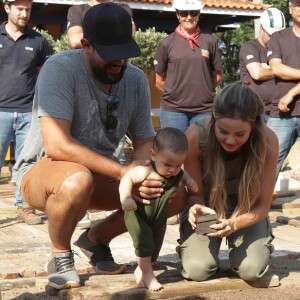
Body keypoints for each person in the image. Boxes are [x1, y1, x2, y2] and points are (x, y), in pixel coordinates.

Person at [13, 3, 186, 290]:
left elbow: (144, 141)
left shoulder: (134, 80)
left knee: (171, 190)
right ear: (86, 45)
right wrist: (123, 173)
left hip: (99, 174)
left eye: (124, 54)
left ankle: (95, 240)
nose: (119, 62)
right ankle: (60, 255)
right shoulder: (60, 69)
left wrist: (145, 175)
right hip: (44, 172)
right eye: (110, 55)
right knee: (77, 181)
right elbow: (57, 145)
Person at [176, 81, 279, 283]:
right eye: (223, 131)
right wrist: (195, 206)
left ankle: (251, 246)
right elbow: (195, 193)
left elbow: (263, 206)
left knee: (251, 271)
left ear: (253, 127)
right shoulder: (195, 137)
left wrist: (234, 224)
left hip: (246, 210)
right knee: (198, 270)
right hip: (208, 209)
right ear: (214, 120)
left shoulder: (268, 141)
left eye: (240, 134)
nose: (230, 140)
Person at [119, 127, 198, 291]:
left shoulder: (176, 171)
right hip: (138, 214)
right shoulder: (146, 170)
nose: (173, 170)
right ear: (153, 154)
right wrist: (126, 197)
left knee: (155, 246)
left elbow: (182, 175)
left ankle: (141, 269)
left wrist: (189, 180)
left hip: (159, 217)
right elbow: (127, 178)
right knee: (144, 243)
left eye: (178, 165)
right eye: (168, 164)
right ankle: (148, 275)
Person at [0, 0, 51, 225]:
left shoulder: (38, 40)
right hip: (0, 112)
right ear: (7, 8)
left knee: (26, 164)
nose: (24, 13)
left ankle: (24, 207)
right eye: (19, 8)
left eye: (28, 9)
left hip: (28, 112)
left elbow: (45, 76)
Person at [153, 0, 223, 133]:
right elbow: (157, 80)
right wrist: (176, 95)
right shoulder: (166, 43)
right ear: (177, 15)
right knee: (174, 151)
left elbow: (218, 76)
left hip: (204, 110)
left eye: (193, 13)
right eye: (184, 13)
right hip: (173, 112)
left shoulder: (210, 41)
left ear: (198, 14)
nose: (189, 17)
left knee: (202, 152)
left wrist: (203, 92)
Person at [267, 0, 300, 179]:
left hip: (286, 101)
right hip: (281, 113)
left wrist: (292, 92)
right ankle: (259, 205)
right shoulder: (279, 37)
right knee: (268, 162)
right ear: (290, 9)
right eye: (298, 4)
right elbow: (277, 69)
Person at [239, 8, 286, 121]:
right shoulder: (250, 47)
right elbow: (257, 73)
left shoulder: (285, 48)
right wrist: (282, 70)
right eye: (271, 35)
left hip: (280, 109)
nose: (275, 39)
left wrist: (266, 67)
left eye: (279, 35)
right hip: (256, 111)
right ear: (261, 29)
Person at [67, 0, 136, 49]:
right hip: (86, 63)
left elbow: (128, 33)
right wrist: (113, 32)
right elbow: (75, 40)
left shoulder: (123, 8)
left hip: (117, 60)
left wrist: (90, 37)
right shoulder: (77, 10)